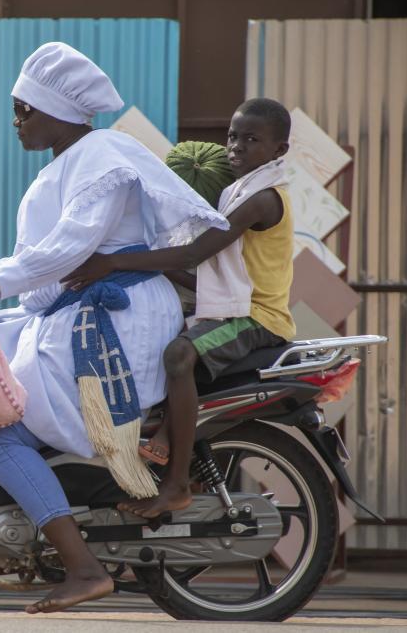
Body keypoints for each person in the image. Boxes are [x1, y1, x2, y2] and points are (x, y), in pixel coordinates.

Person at [0, 42, 226, 614]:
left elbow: (66, 251)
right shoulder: (70, 163)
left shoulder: (101, 155)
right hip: (83, 314)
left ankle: (82, 566)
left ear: (57, 109)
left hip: (117, 322)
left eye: (23, 108)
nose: (15, 121)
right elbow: (48, 271)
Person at [62, 98, 297, 519]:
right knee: (163, 342)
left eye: (251, 139)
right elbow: (207, 274)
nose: (236, 147)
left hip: (256, 318)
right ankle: (165, 438)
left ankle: (176, 486)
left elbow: (191, 257)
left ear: (279, 150)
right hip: (234, 306)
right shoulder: (238, 190)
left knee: (179, 354)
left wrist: (114, 261)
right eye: (232, 137)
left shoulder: (262, 199)